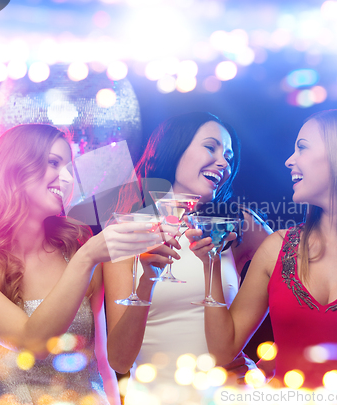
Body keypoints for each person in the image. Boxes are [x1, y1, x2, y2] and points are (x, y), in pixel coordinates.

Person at [188, 108, 337, 388]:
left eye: (302, 148)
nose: (290, 161)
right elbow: (222, 351)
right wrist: (211, 264)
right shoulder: (275, 248)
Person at [0, 124, 163, 405]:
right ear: (14, 168)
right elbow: (32, 344)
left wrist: (147, 281)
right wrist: (86, 259)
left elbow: (103, 364)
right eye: (54, 163)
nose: (67, 177)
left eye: (69, 167)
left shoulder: (76, 247)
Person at [103, 112, 272, 402]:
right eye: (211, 147)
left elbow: (296, 277)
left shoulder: (238, 223)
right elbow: (119, 360)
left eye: (229, 157)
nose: (224, 163)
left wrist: (276, 370)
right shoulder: (125, 231)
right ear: (174, 148)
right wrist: (147, 283)